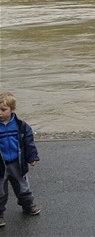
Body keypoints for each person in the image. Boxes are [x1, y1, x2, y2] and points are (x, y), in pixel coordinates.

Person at [0, 92, 40, 227]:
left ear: (12, 109)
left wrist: (32, 157)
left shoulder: (21, 126)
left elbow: (29, 143)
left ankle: (28, 205)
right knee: (0, 191)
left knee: (23, 187)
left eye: (3, 110)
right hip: (1, 165)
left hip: (17, 163)